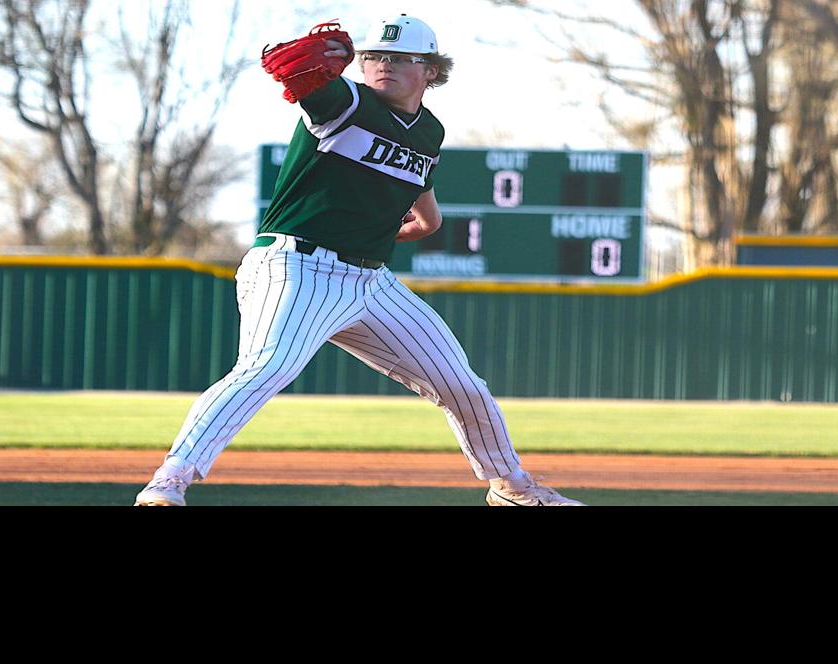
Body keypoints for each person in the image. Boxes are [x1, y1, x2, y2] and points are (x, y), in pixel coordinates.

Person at [134, 14, 583, 506]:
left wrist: (413, 224)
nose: (382, 64)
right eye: (375, 56)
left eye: (399, 57)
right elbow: (301, 80)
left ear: (430, 71)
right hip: (296, 267)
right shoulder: (347, 101)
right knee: (267, 366)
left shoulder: (429, 131)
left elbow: (424, 204)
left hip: (371, 282)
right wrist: (302, 71)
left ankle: (513, 488)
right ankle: (169, 480)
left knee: (461, 384)